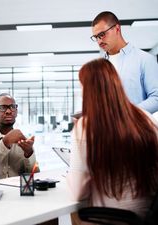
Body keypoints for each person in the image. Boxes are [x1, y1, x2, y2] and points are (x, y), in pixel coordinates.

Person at [67, 58, 158, 223]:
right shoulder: (147, 118)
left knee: (74, 213)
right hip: (147, 215)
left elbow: (78, 191)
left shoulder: (86, 126)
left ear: (89, 90)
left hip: (109, 218)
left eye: (82, 86)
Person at [91, 11, 158, 113]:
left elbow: (156, 98)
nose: (99, 41)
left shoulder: (145, 59)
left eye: (102, 34)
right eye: (96, 37)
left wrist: (129, 113)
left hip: (135, 127)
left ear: (117, 29)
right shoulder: (98, 67)